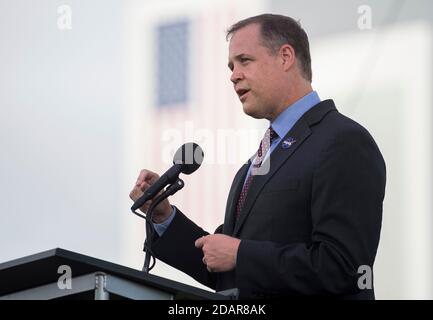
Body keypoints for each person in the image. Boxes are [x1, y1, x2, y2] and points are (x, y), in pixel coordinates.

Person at [129, 14, 386, 299]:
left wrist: (242, 254)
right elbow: (222, 266)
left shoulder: (343, 141)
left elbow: (344, 268)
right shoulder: (253, 165)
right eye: (231, 66)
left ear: (285, 57)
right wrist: (164, 216)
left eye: (244, 60)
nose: (233, 74)